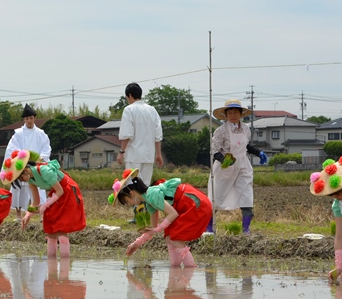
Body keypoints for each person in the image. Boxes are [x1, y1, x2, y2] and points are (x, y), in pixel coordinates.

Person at [110, 169, 212, 266]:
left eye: (128, 201)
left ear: (131, 194)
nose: (131, 204)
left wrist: (158, 228)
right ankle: (175, 270)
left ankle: (189, 270)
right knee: (169, 237)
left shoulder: (152, 195)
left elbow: (173, 214)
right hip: (187, 206)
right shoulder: (149, 202)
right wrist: (136, 244)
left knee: (175, 239)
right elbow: (153, 229)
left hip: (196, 204)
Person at [0, 149, 86, 258]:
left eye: (21, 178)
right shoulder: (30, 179)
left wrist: (45, 205)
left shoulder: (44, 170)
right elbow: (36, 201)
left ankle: (65, 264)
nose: (22, 181)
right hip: (56, 194)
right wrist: (28, 215)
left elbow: (60, 191)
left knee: (62, 226)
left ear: (25, 170)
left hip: (67, 191)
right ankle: (51, 263)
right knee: (50, 226)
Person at [207, 99, 267, 234]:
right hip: (226, 166)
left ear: (240, 114)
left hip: (243, 165)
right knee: (217, 195)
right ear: (226, 115)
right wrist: (224, 160)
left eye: (235, 112)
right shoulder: (221, 130)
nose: (233, 115)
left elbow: (245, 146)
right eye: (230, 113)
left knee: (246, 194)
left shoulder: (245, 128)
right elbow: (214, 150)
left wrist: (258, 152)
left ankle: (246, 229)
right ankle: (209, 227)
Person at [309, 155, 342, 281]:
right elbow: (340, 235)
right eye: (332, 196)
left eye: (338, 193)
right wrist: (339, 266)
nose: (336, 198)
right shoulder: (338, 204)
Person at [5, 104, 52, 221]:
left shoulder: (41, 134)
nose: (29, 121)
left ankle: (42, 214)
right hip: (22, 165)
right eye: (26, 119)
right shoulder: (18, 133)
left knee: (39, 189)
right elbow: (12, 149)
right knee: (19, 189)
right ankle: (18, 215)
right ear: (24, 120)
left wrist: (39, 159)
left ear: (34, 118)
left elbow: (46, 149)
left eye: (31, 118)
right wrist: (21, 159)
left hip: (36, 165)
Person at [117, 82, 164, 183]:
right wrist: (158, 154)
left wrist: (121, 152)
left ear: (130, 95)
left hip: (134, 155)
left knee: (132, 187)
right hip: (149, 156)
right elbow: (158, 135)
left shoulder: (129, 110)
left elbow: (127, 134)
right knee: (145, 188)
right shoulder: (152, 110)